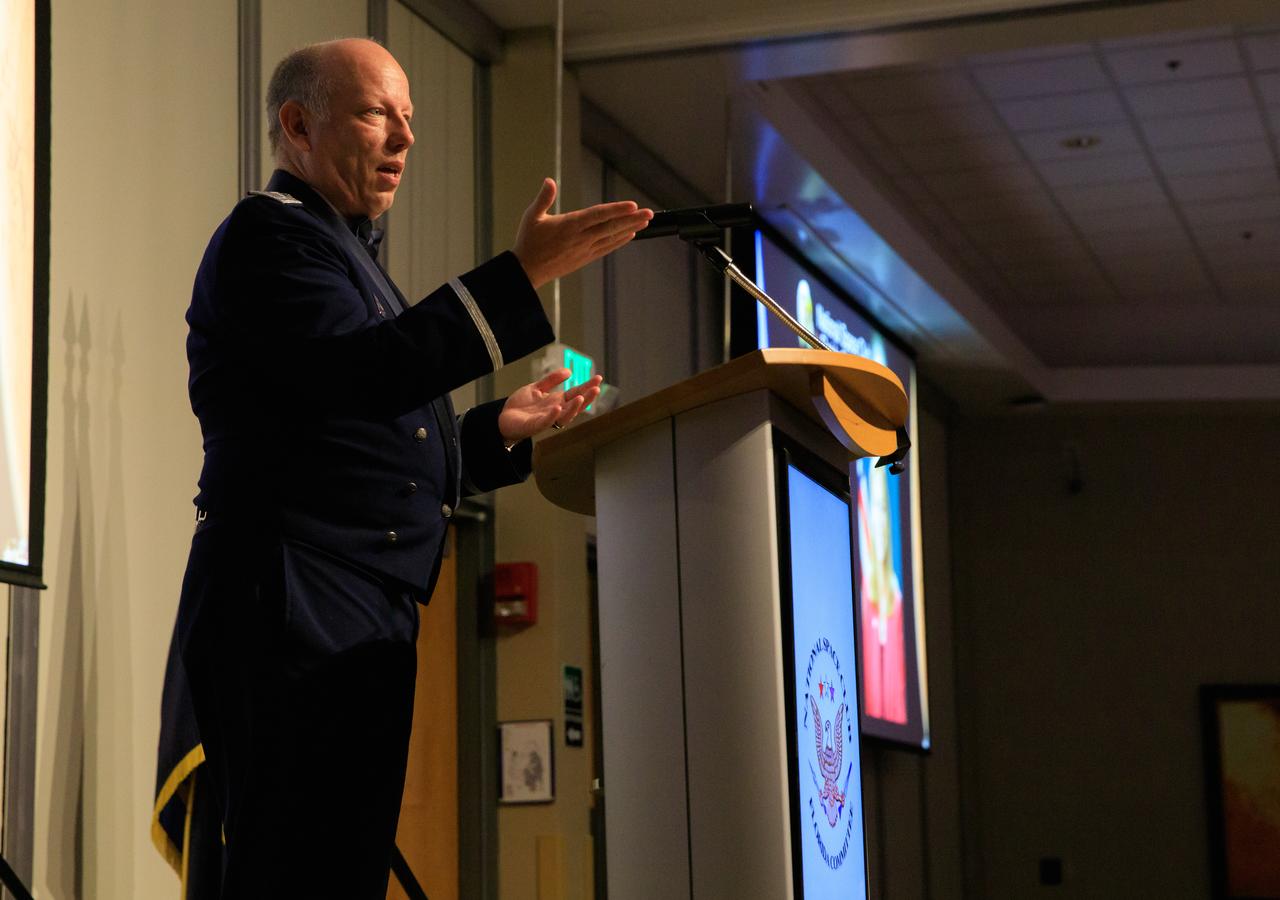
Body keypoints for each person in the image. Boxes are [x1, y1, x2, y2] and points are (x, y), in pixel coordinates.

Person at [153, 37, 652, 899]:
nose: (405, 138)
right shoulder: (267, 239)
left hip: (352, 612)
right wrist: (520, 275)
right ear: (297, 124)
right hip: (291, 603)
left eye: (411, 120)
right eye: (378, 113)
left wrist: (496, 426)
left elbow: (367, 436)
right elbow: (369, 376)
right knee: (287, 873)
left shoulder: (352, 260)